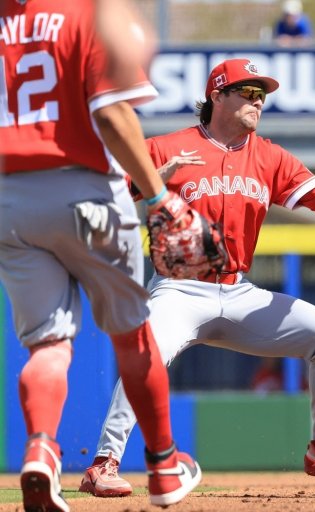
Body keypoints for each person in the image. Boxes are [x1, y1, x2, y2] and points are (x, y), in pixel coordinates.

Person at [78, 58, 315, 497]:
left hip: (239, 291)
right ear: (217, 95)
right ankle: (103, 464)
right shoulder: (165, 148)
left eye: (262, 95)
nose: (258, 101)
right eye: (247, 92)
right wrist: (146, 184)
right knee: (148, 354)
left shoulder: (269, 156)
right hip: (179, 290)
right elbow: (101, 192)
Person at [0, 0, 201, 510]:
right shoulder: (84, 10)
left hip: (9, 199)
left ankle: (42, 448)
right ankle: (162, 467)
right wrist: (159, 198)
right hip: (85, 188)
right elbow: (112, 113)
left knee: (48, 346)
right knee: (133, 335)